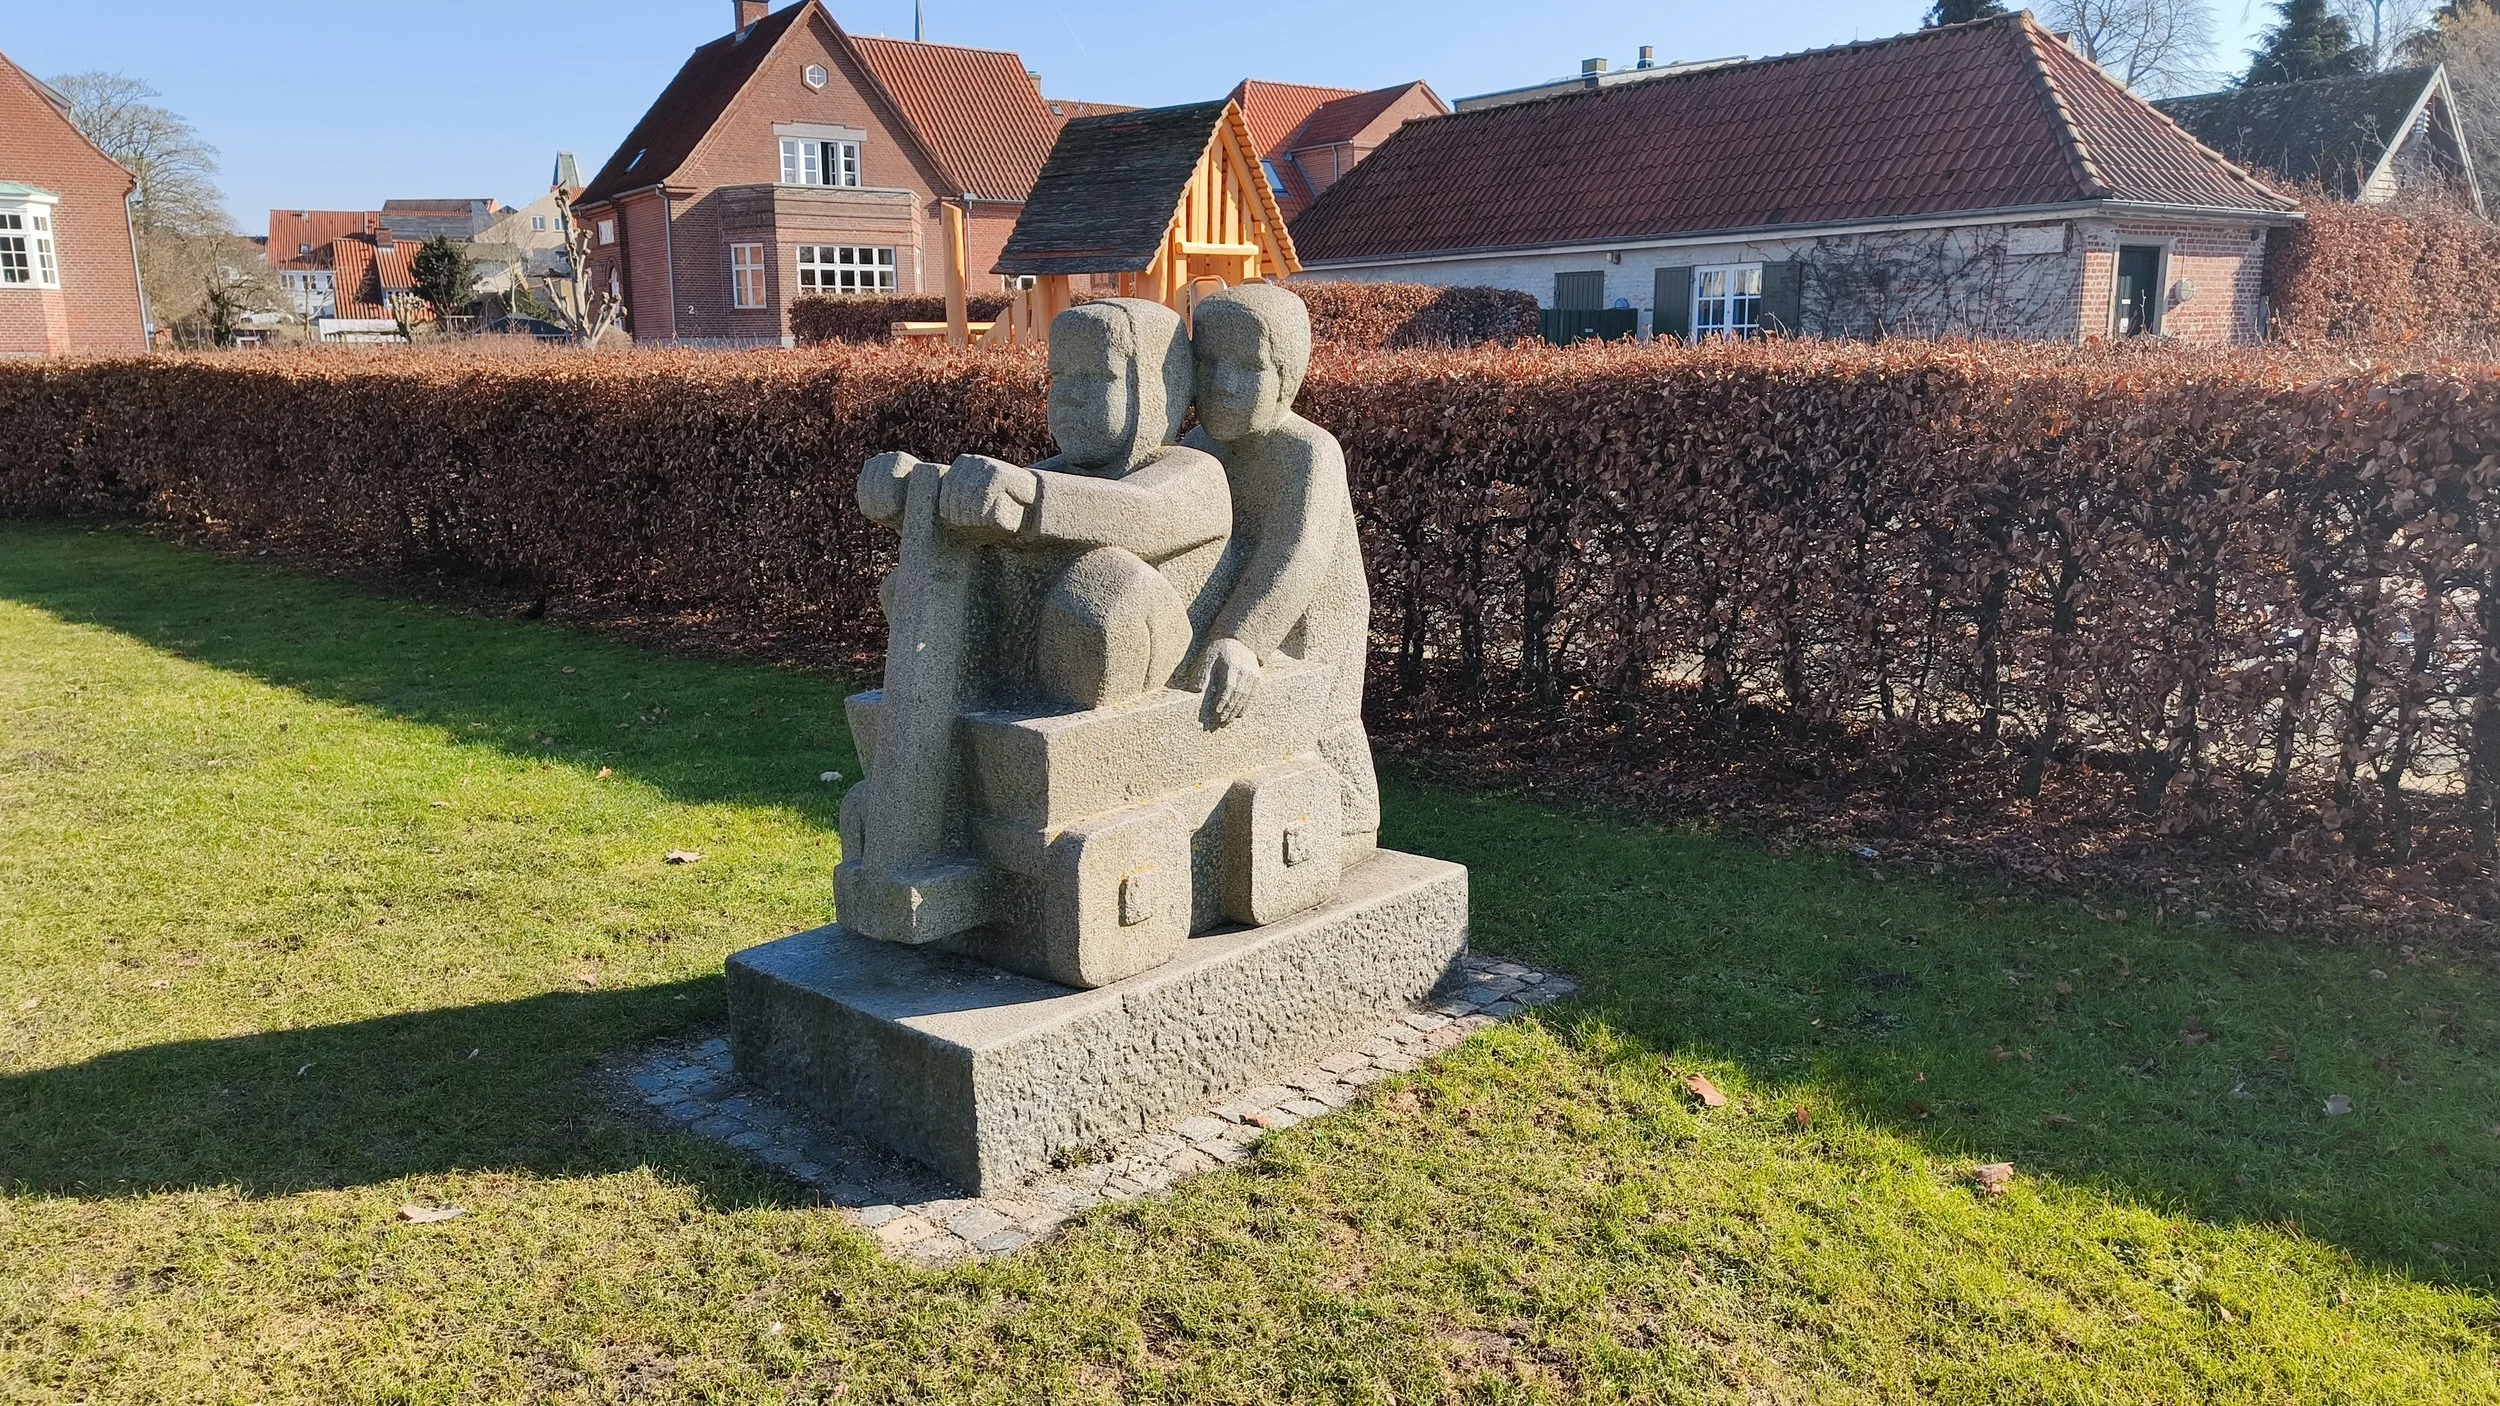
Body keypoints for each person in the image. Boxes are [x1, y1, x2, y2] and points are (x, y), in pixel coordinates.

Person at [1183, 284, 1378, 852]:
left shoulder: (1308, 452)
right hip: (1230, 608)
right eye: (1209, 364)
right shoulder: (1198, 448)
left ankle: (1348, 817)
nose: (1223, 384)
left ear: (1287, 376)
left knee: (1323, 724)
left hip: (1310, 619)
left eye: (1248, 367)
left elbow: (1297, 555)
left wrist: (1244, 639)